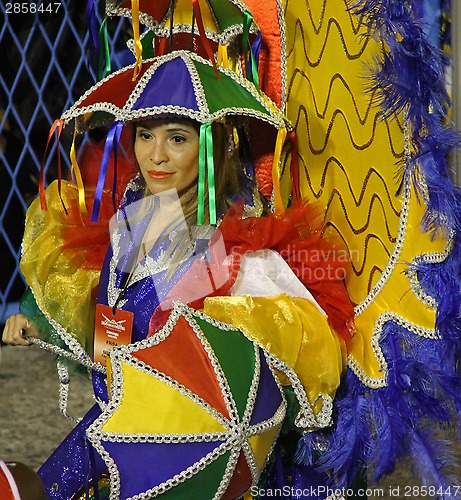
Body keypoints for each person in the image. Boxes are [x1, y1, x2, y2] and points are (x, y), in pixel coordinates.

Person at [3, 51, 354, 498]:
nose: (156, 155)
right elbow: (115, 325)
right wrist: (40, 326)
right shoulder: (131, 220)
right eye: (146, 135)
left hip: (186, 459)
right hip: (121, 428)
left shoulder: (227, 253)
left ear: (210, 147)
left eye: (178, 139)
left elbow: (288, 358)